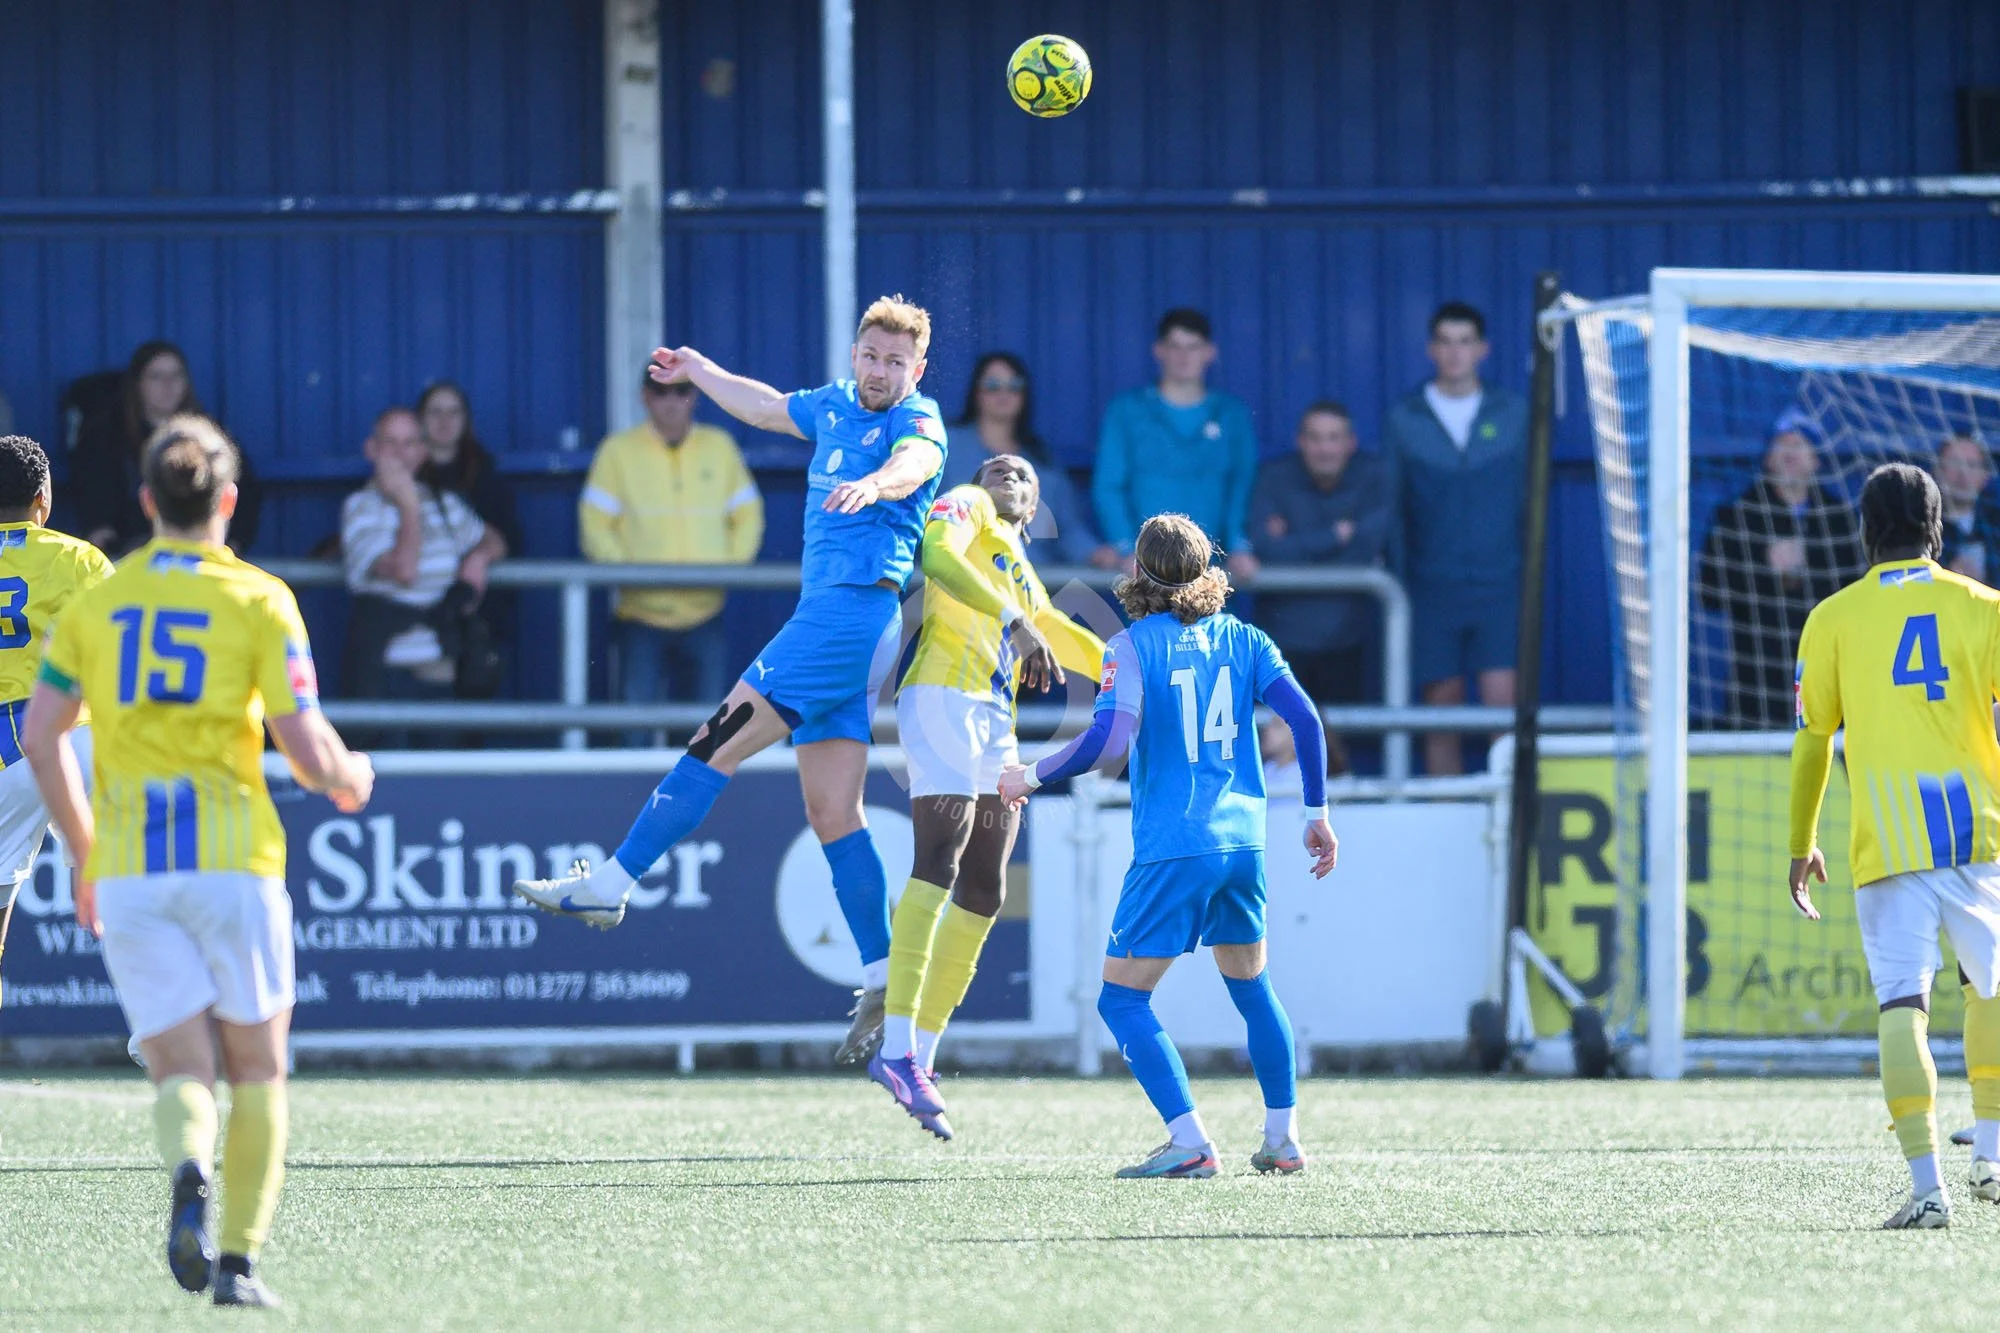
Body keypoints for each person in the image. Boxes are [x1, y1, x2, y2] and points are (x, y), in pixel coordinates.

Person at [514, 295, 950, 1062]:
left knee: (713, 740)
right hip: (842, 630)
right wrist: (701, 370)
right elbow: (768, 407)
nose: (880, 371)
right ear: (855, 353)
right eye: (871, 355)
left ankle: (611, 883)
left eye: (895, 362)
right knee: (832, 811)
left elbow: (916, 462)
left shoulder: (917, 422)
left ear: (918, 369)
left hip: (844, 620)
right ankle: (886, 975)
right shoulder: (835, 406)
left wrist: (879, 484)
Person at [22, 415, 373, 1305]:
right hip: (232, 862)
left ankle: (189, 1171)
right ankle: (241, 1262)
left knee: (183, 1070)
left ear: (145, 501)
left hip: (133, 867)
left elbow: (41, 732)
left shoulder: (104, 599)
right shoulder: (258, 598)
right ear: (226, 500)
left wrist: (84, 848)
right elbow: (305, 747)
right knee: (257, 1069)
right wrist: (348, 775)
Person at [998, 514, 1338, 1179]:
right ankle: (1283, 1137)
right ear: (1208, 569)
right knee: (1252, 986)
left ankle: (1190, 1140)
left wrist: (1030, 773)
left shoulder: (1129, 646)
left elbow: (1109, 744)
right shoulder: (1246, 639)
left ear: (1136, 571)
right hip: (1242, 842)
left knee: (1121, 1000)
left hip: (1174, 845)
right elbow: (1305, 718)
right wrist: (1317, 813)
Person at [1788, 462, 2000, 1230]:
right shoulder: (1985, 606)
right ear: (1937, 527)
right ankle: (1994, 1157)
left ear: (1865, 529)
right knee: (1992, 986)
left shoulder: (1832, 618)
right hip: (1976, 830)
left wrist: (1799, 841)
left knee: (1902, 1003)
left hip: (1886, 838)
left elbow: (1813, 743)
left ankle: (1927, 1190)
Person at [874, 454, 1105, 1137]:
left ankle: (922, 1055)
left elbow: (1065, 636)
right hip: (942, 696)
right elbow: (938, 559)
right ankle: (893, 1048)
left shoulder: (1024, 575)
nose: (1007, 472)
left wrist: (1132, 669)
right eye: (997, 468)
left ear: (1034, 509)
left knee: (985, 886)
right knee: (938, 864)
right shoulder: (967, 506)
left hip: (992, 724)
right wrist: (1015, 619)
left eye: (1024, 475)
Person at [580, 368, 765, 743]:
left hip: (705, 613)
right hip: (640, 615)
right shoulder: (618, 452)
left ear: (694, 396)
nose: (670, 400)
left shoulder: (720, 447)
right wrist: (627, 574)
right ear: (644, 396)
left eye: (680, 390)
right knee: (636, 732)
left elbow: (749, 515)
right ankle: (638, 801)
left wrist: (728, 569)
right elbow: (593, 524)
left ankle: (698, 802)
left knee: (707, 735)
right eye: (659, 391)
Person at [1382, 303, 1528, 776]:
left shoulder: (1513, 413)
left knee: (1502, 707)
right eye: (1445, 341)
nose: (1455, 351)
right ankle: (1444, 806)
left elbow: (1530, 501)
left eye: (1465, 341)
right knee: (1439, 711)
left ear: (1482, 349)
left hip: (1500, 582)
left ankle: (1509, 817)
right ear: (1431, 350)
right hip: (1430, 585)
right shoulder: (1406, 417)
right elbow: (1394, 509)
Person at [0, 436, 115, 1014]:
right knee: (116, 876)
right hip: (81, 735)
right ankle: (156, 1025)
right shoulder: (79, 558)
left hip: (6, 751)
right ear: (42, 501)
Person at [338, 407, 505, 744]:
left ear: (423, 452)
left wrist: (478, 559)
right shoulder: (360, 508)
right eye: (391, 443)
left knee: (439, 784)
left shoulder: (444, 504)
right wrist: (408, 505)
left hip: (438, 671)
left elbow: (494, 539)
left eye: (411, 443)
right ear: (372, 449)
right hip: (383, 676)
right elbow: (404, 570)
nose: (401, 453)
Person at [1697, 408, 1866, 729]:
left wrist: (1808, 568)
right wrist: (1764, 568)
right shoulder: (1737, 516)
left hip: (1828, 675)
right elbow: (1709, 592)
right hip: (1757, 682)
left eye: (1800, 444)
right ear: (1768, 457)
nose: (1790, 452)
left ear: (1816, 460)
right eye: (1782, 444)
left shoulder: (1840, 519)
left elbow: (1859, 594)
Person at [1230, 399, 1393, 715]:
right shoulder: (1275, 477)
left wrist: (1293, 543)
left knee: (1341, 745)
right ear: (1300, 442)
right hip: (1280, 643)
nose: (1325, 448)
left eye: (1334, 438)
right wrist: (1334, 536)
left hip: (1348, 640)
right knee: (1276, 746)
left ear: (1351, 443)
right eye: (1315, 438)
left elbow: (1366, 550)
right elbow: (1265, 548)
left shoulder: (1374, 476)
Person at [1092, 309, 1258, 561]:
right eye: (1175, 346)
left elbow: (1242, 485)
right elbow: (1108, 485)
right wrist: (1125, 546)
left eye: (1193, 347)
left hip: (1212, 566)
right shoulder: (1126, 411)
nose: (1184, 357)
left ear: (1209, 352)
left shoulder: (1231, 414)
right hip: (1146, 565)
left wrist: (1238, 544)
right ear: (1158, 350)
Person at [71, 342, 263, 557]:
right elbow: (92, 490)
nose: (167, 384)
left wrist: (235, 542)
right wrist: (99, 528)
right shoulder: (105, 438)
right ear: (137, 384)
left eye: (176, 375)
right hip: (130, 555)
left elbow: (245, 490)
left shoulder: (209, 438)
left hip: (202, 555)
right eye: (156, 376)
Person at [940, 352, 1118, 569]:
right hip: (957, 587)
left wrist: (1096, 553)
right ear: (975, 391)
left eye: (1014, 385)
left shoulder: (1042, 461)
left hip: (1026, 590)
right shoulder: (945, 446)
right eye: (992, 384)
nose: (1003, 393)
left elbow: (1068, 531)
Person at [415, 381, 524, 561]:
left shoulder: (486, 476)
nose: (445, 420)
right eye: (435, 412)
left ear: (465, 419)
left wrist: (479, 558)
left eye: (453, 412)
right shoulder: (407, 475)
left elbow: (511, 540)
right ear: (420, 419)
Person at [1933, 433, 1995, 585]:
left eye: (1972, 465)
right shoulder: (1919, 532)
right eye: (1954, 463)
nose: (1963, 474)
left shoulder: (1994, 527)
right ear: (1938, 471)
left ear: (1985, 475)